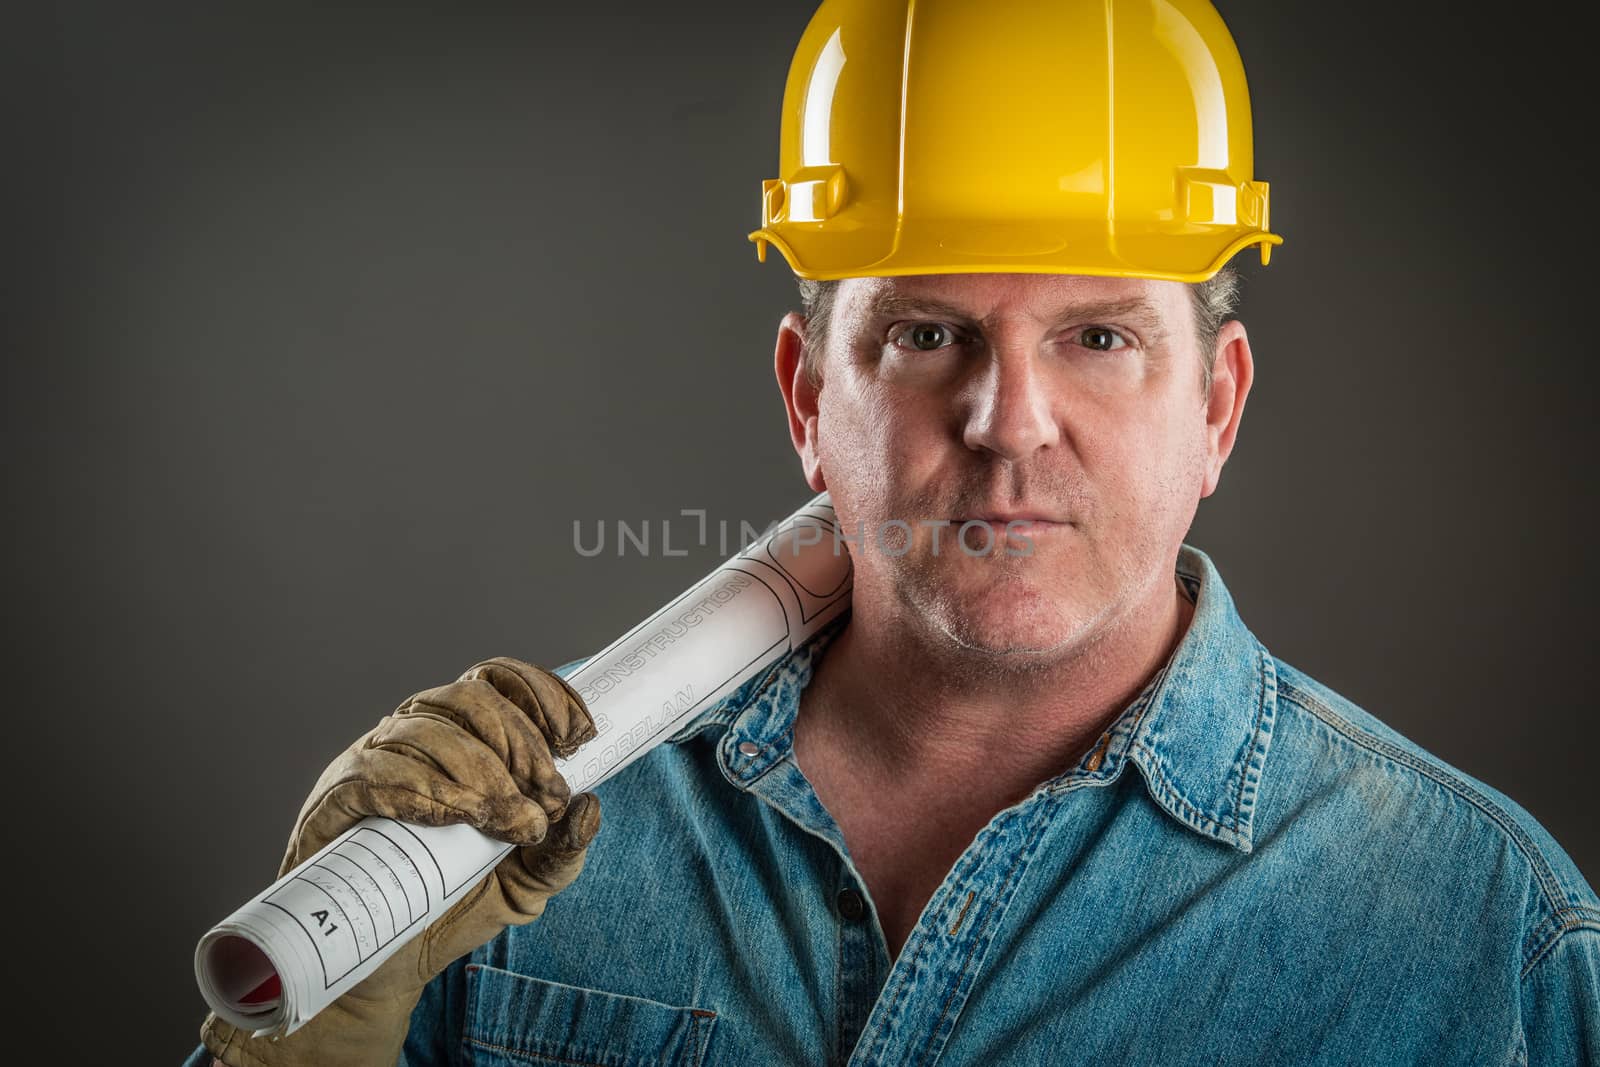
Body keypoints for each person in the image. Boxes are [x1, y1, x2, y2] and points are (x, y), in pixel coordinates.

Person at [189, 1, 1599, 1064]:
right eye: (926, 333)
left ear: (1217, 409)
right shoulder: (510, 853)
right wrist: (305, 1042)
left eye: (1099, 336)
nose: (1006, 422)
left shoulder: (1486, 943)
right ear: (810, 397)